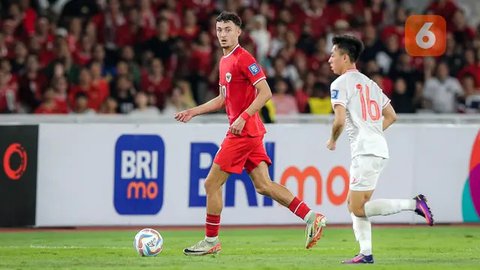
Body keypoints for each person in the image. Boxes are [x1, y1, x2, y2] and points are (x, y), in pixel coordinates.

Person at [175, 11, 326, 256]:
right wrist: (193, 111)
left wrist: (243, 117)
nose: (223, 34)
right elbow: (223, 99)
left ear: (238, 32)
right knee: (264, 185)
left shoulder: (244, 58)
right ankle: (312, 217)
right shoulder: (224, 61)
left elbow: (265, 93)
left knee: (212, 183)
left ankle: (211, 240)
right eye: (219, 30)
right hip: (249, 131)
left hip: (243, 131)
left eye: (228, 30)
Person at [326, 35, 434, 264]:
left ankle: (414, 204)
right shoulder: (370, 83)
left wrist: (333, 140)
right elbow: (391, 116)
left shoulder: (339, 84)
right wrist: (373, 131)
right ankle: (366, 253)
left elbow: (338, 121)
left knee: (357, 208)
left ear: (345, 58)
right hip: (376, 148)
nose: (329, 60)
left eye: (333, 55)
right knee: (354, 205)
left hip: (365, 151)